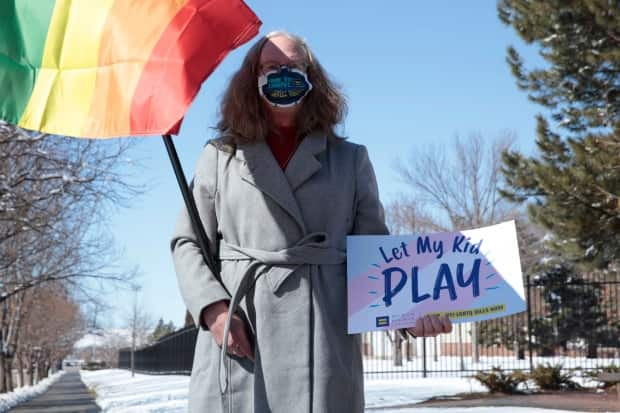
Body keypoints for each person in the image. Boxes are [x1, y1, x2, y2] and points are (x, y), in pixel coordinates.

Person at [170, 31, 453, 413]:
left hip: (324, 340)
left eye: (293, 67)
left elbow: (374, 255)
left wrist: (410, 311)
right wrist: (215, 311)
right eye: (271, 67)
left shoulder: (350, 160)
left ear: (311, 76)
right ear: (253, 78)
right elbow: (188, 241)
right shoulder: (219, 157)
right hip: (242, 332)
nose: (282, 75)